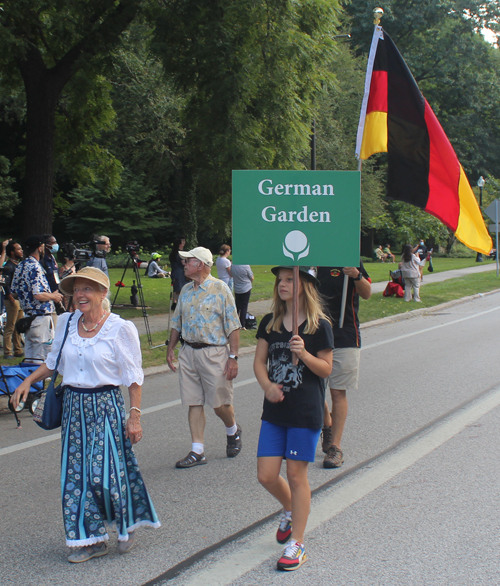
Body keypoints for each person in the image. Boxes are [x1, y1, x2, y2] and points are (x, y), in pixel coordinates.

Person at [10, 266, 160, 563]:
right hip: (73, 408)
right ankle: (90, 539)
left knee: (103, 473)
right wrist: (28, 380)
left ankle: (125, 522)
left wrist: (135, 417)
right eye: (77, 289)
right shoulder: (65, 322)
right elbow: (52, 363)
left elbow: (133, 376)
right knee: (75, 476)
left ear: (103, 294)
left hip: (105, 406)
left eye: (87, 289)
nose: (80, 294)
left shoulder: (120, 328)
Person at [254, 266, 333, 571]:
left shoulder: (318, 326)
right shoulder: (270, 323)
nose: (283, 284)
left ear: (305, 286)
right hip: (275, 411)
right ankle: (289, 508)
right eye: (280, 280)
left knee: (297, 475)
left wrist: (306, 354)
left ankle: (297, 543)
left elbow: (326, 369)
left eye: (290, 279)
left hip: (305, 412)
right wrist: (267, 386)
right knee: (267, 475)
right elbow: (260, 363)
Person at [166, 246, 242, 468]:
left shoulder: (221, 289)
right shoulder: (186, 290)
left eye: (188, 261)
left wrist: (233, 357)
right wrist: (171, 349)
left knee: (220, 404)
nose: (184, 264)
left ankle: (233, 430)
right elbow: (176, 323)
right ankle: (197, 450)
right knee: (193, 402)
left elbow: (233, 326)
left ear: (200, 264)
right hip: (188, 352)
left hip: (214, 353)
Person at [317, 263, 372, 469]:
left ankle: (335, 447)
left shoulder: (350, 258)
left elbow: (366, 293)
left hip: (345, 335)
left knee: (337, 392)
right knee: (315, 389)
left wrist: (356, 276)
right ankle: (326, 424)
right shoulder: (311, 259)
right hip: (316, 333)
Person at [11, 236, 64, 363]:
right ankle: (38, 380)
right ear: (40, 248)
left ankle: (29, 378)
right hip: (40, 316)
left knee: (29, 355)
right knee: (41, 353)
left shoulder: (21, 266)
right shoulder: (35, 267)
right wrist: (53, 296)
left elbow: (14, 291)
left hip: (28, 316)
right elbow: (38, 294)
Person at [2, 241, 24, 358]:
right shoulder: (9, 267)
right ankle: (7, 351)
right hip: (12, 299)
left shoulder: (18, 265)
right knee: (10, 325)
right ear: (12, 252)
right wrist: (10, 297)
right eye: (19, 249)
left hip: (18, 298)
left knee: (18, 325)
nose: (21, 251)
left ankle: (18, 348)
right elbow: (5, 283)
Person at [231, 264, 254, 329]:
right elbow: (252, 277)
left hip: (237, 288)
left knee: (237, 306)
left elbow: (231, 274)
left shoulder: (233, 265)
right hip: (246, 287)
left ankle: (234, 322)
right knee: (244, 306)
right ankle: (242, 324)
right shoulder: (246, 266)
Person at [169, 236, 187, 311]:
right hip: (180, 272)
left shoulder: (173, 253)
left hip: (174, 272)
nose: (184, 243)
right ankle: (180, 303)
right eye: (182, 242)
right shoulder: (181, 253)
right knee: (180, 288)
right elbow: (183, 263)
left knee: (176, 288)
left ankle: (174, 302)